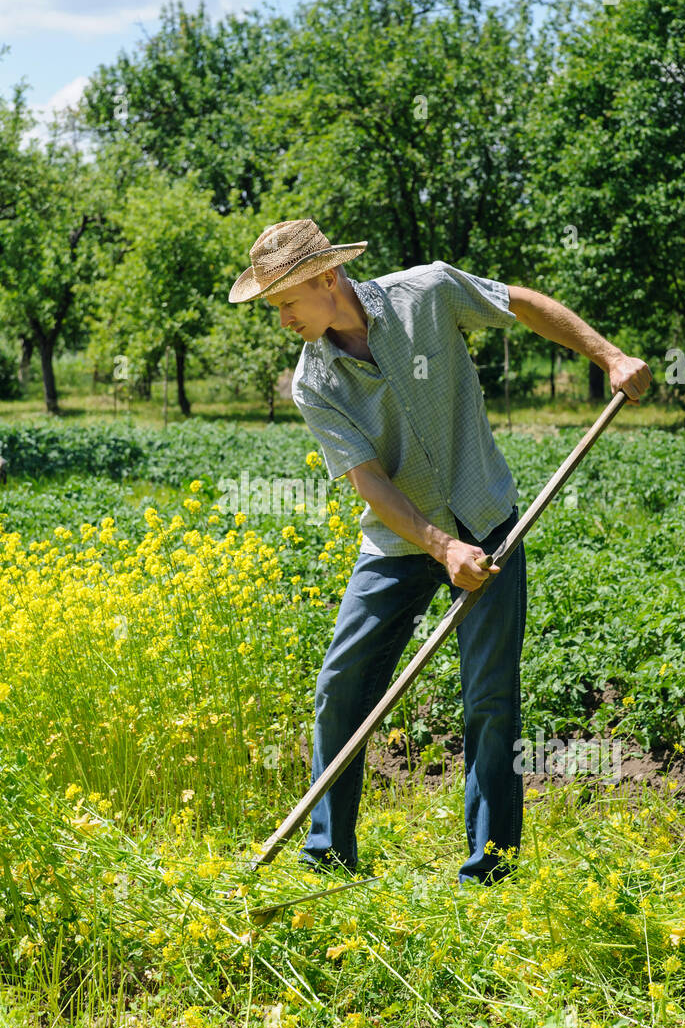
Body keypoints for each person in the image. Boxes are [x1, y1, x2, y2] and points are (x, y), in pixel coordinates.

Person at [228, 219, 652, 885]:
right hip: (399, 541)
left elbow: (517, 303)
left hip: (485, 518)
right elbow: (367, 480)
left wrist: (607, 357)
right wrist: (438, 545)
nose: (279, 320)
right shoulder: (315, 382)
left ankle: (489, 870)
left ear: (322, 278)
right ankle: (327, 860)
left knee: (488, 698)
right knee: (341, 687)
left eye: (283, 302)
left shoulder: (425, 291)